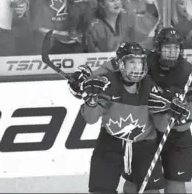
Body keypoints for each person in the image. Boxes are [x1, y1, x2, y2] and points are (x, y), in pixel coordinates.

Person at [70, 27, 192, 194]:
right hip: (139, 135)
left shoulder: (188, 72)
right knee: (133, 185)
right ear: (158, 48)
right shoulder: (145, 60)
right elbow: (111, 68)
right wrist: (89, 79)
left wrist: (183, 111)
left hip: (175, 134)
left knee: (174, 184)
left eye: (175, 48)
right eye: (167, 48)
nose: (171, 53)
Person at [68, 42, 168, 193]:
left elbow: (162, 126)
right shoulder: (106, 82)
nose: (136, 68)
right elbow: (91, 119)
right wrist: (91, 100)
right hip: (110, 144)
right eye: (131, 63)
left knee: (151, 192)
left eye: (139, 63)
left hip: (144, 146)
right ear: (121, 64)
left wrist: (168, 113)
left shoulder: (150, 86)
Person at [85, 0, 159, 52]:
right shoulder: (94, 27)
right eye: (112, 1)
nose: (117, 3)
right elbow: (94, 55)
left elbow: (150, 19)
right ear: (102, 4)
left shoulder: (128, 18)